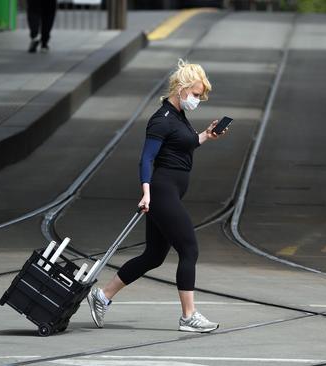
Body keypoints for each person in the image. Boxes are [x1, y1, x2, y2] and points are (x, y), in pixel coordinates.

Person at [87, 59, 228, 333]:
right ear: (182, 88)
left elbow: (180, 148)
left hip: (169, 192)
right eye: (196, 95)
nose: (198, 100)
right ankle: (189, 316)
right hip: (161, 193)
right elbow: (146, 159)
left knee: (153, 255)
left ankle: (101, 296)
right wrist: (146, 193)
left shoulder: (178, 118)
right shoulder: (161, 120)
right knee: (189, 249)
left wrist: (206, 136)